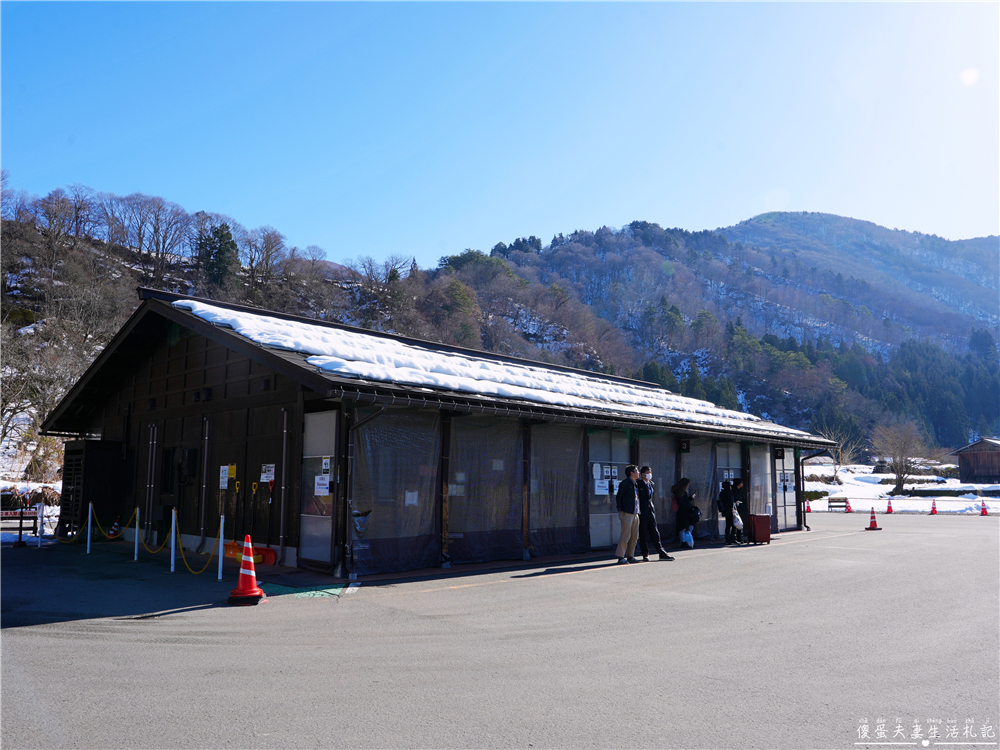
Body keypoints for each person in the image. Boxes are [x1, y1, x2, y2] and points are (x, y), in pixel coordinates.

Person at [637, 465, 674, 561]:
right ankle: (645, 553)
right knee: (643, 533)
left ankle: (661, 552)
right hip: (642, 511)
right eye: (647, 473)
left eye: (650, 473)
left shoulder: (651, 484)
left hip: (650, 510)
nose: (649, 475)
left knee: (655, 532)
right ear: (643, 474)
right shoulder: (639, 484)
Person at [614, 465, 641, 564]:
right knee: (626, 535)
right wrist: (621, 509)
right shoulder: (625, 483)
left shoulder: (635, 484)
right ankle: (621, 556)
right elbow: (619, 497)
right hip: (627, 513)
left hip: (635, 513)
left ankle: (630, 555)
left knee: (635, 536)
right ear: (631, 473)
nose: (638, 472)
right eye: (636, 471)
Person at [672, 477, 699, 549]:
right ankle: (684, 542)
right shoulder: (681, 492)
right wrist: (690, 507)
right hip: (683, 512)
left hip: (684, 512)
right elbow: (682, 503)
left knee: (686, 527)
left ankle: (686, 541)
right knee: (684, 527)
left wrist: (690, 498)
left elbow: (684, 502)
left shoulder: (680, 492)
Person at [718, 480, 739, 545]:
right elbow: (731, 502)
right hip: (730, 510)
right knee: (733, 525)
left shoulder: (722, 493)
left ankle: (727, 538)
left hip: (725, 511)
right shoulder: (728, 493)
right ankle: (732, 538)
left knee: (728, 525)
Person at [731, 477, 745, 544]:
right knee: (735, 523)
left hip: (741, 508)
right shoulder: (733, 490)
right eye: (741, 483)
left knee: (740, 524)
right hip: (735, 509)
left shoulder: (741, 490)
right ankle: (733, 538)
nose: (742, 484)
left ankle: (739, 538)